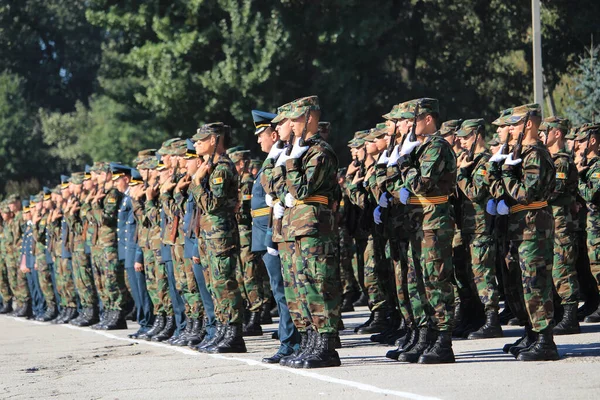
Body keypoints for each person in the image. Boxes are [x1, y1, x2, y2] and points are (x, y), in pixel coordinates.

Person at [273, 96, 342, 368]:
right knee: (299, 287)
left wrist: (290, 163)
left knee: (318, 284)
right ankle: (310, 340)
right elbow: (272, 181)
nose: (292, 124)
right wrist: (288, 160)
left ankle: (326, 345)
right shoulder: (298, 150)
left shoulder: (320, 152)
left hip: (313, 226)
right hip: (294, 227)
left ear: (310, 118)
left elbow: (301, 190)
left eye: (296, 119)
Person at [495, 103, 559, 361]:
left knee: (535, 283)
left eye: (515, 124)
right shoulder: (522, 151)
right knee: (523, 283)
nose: (510, 129)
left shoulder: (535, 155)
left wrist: (508, 172)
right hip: (521, 227)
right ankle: (532, 333)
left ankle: (545, 340)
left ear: (529, 124)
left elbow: (526, 193)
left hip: (534, 227)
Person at [191, 122, 246, 353]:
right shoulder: (211, 167)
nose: (196, 143)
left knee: (224, 284)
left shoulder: (222, 168)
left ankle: (233, 334)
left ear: (214, 140)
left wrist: (195, 183)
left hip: (220, 235)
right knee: (215, 285)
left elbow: (212, 205)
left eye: (201, 140)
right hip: (210, 235)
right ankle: (223, 329)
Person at [251, 108, 300, 363]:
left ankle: (290, 342)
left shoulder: (281, 157)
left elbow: (275, 203)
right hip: (265, 234)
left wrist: (270, 237)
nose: (259, 140)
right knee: (279, 290)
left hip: (275, 233)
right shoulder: (272, 157)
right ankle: (288, 340)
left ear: (272, 133)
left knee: (283, 291)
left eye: (262, 134)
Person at [455, 119, 502, 339]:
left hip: (481, 228)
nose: (461, 141)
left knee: (483, 275)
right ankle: (476, 318)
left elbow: (475, 192)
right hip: (469, 227)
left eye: (465, 137)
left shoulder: (485, 162)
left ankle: (492, 321)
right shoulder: (470, 160)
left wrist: (461, 175)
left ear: (477, 135)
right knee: (471, 275)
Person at [539, 117, 581, 335]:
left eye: (545, 131)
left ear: (557, 134)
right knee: (552, 268)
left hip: (560, 223)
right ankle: (559, 313)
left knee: (562, 269)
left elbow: (553, 191)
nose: (540, 135)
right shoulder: (550, 159)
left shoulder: (561, 161)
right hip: (550, 222)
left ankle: (570, 316)